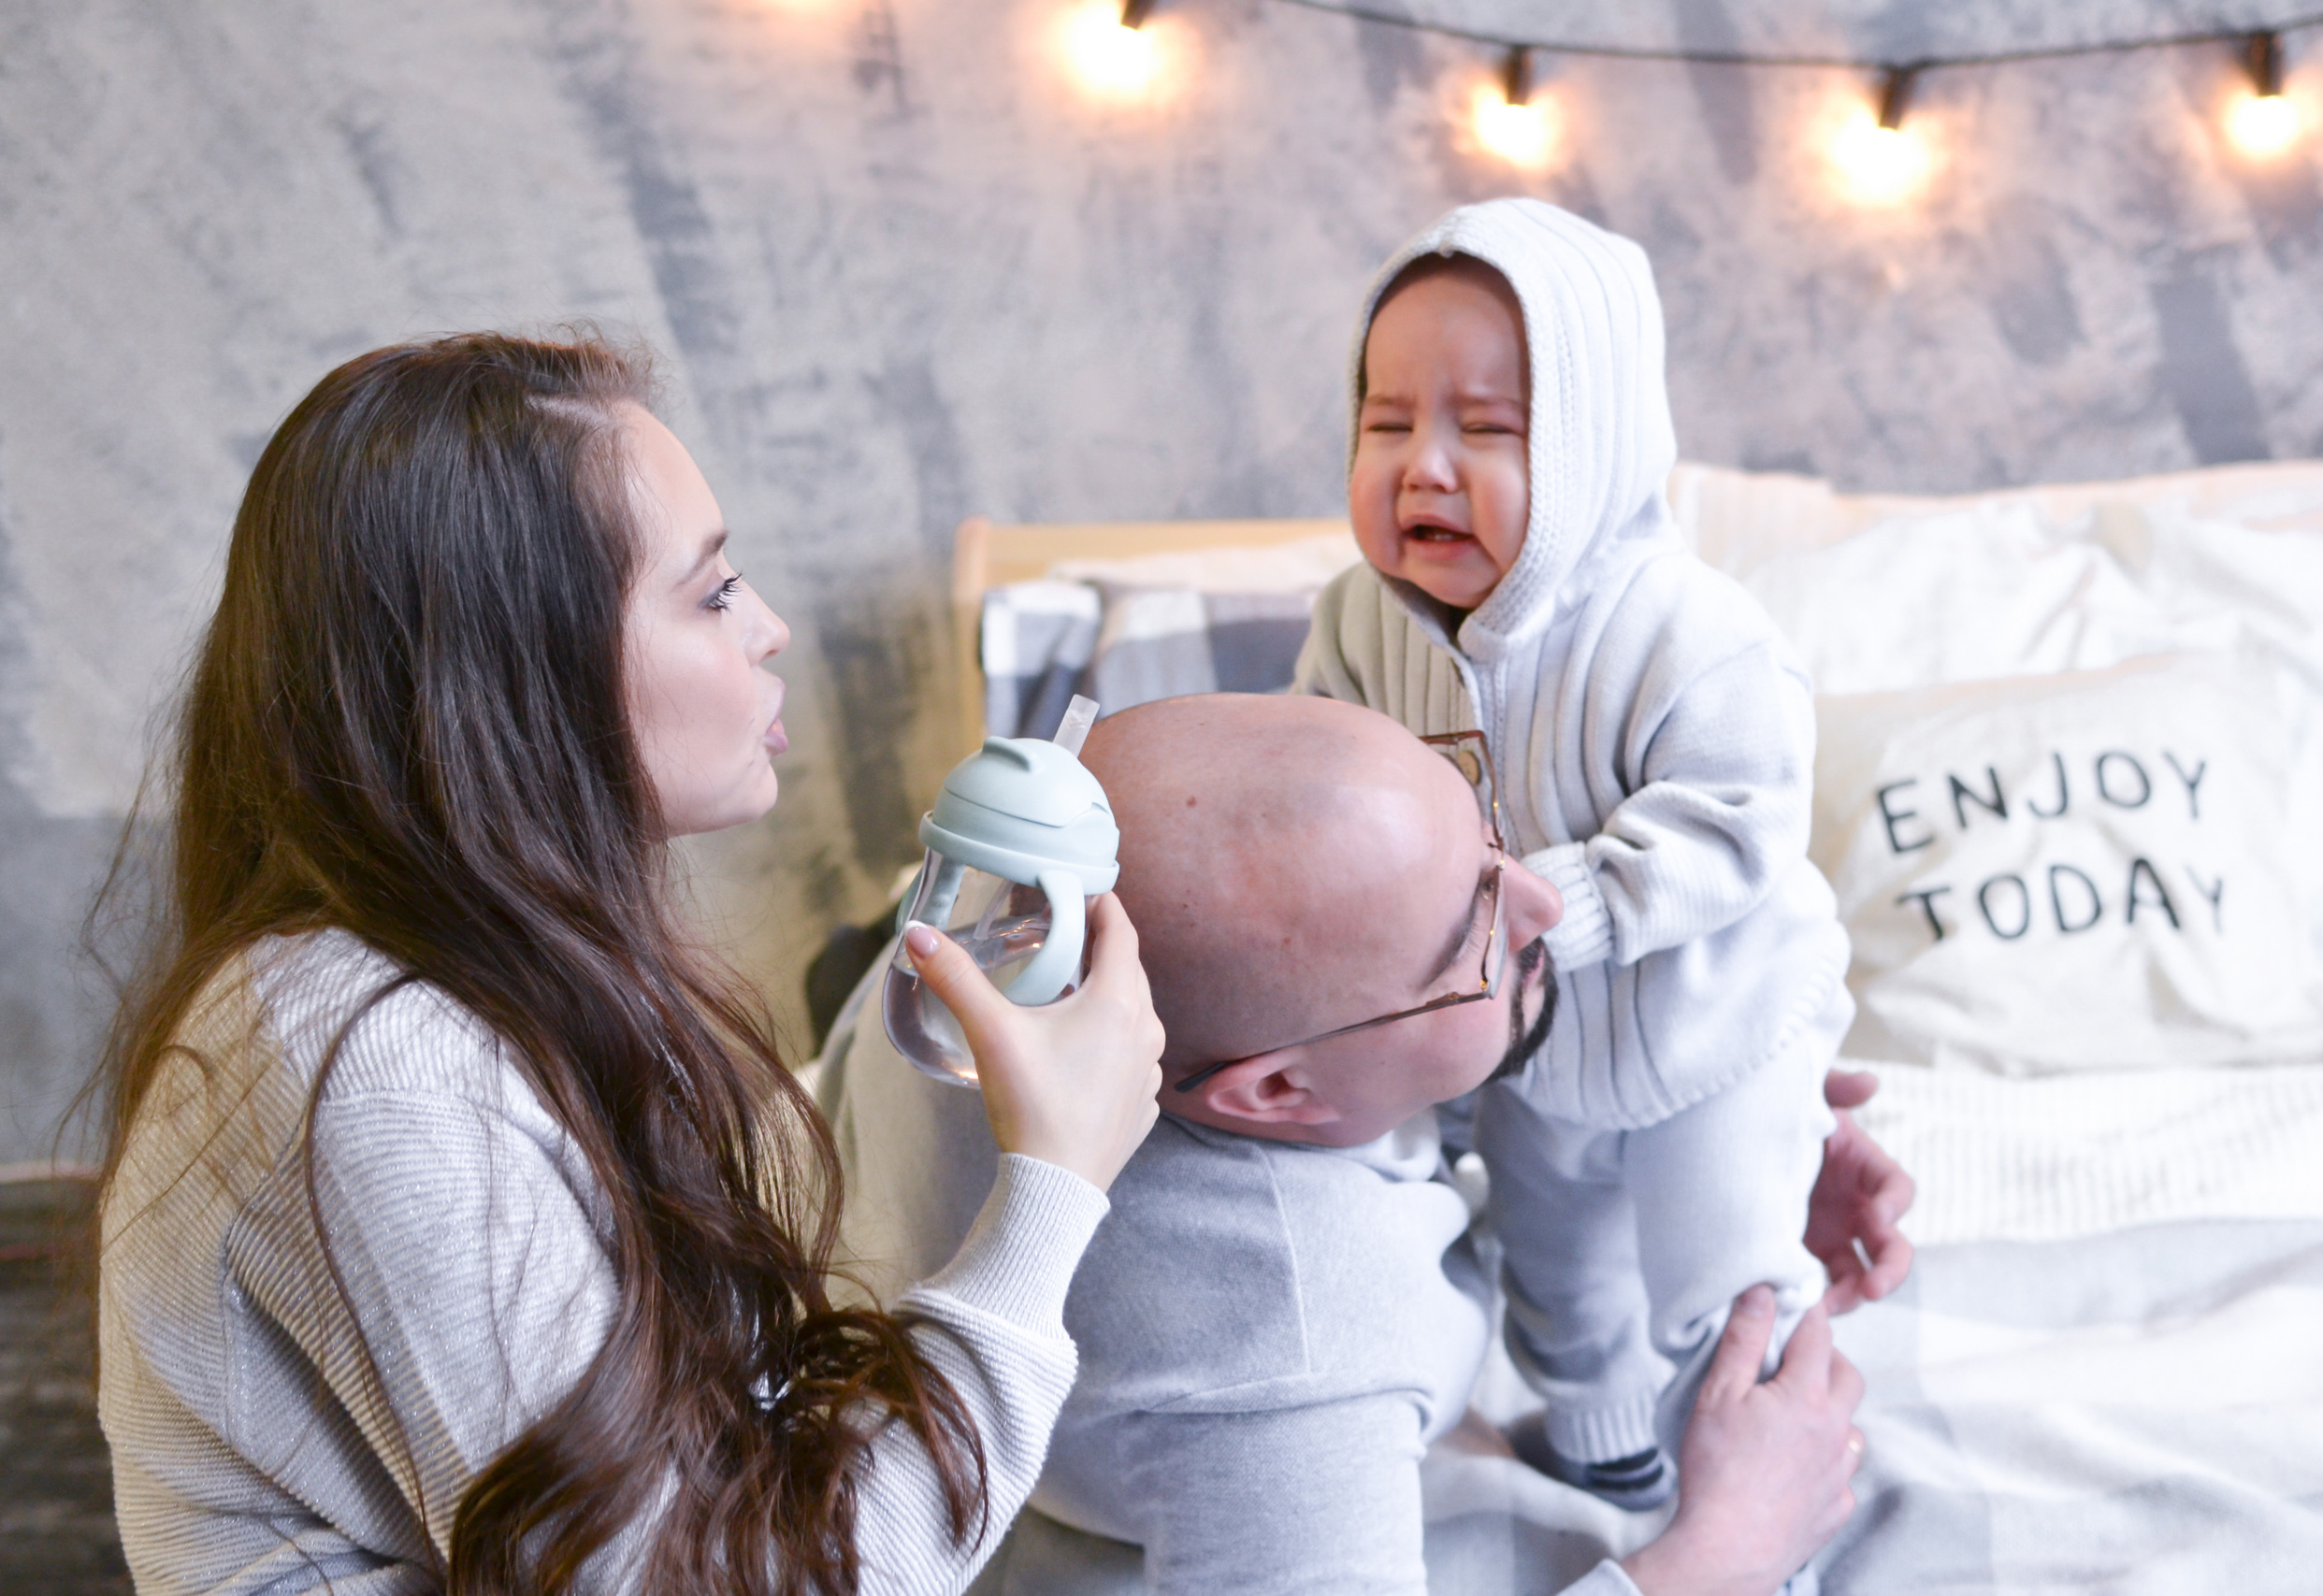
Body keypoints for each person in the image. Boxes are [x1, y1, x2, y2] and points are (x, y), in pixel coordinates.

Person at [90, 332, 1166, 1596]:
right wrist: (1052, 1187)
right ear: (515, 668)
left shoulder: (501, 973)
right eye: (711, 593)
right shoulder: (384, 1073)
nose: (768, 628)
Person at [816, 693, 1916, 1596]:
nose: (1546, 898)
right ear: (1278, 1092)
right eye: (1473, 940)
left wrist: (1694, 1117)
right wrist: (1721, 1554)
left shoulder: (979, 929)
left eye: (1485, 828)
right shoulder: (1296, 1357)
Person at [1292, 196, 1864, 1510]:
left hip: (1712, 1028)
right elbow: (1314, 797)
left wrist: (1554, 906)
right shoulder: (1354, 629)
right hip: (1523, 1045)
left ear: (1596, 444)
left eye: (1488, 429)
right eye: (1387, 422)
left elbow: (1737, 819)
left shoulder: (1692, 631)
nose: (1425, 468)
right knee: (1553, 1260)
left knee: (1728, 1268)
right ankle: (1607, 1450)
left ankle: (1773, 1484)